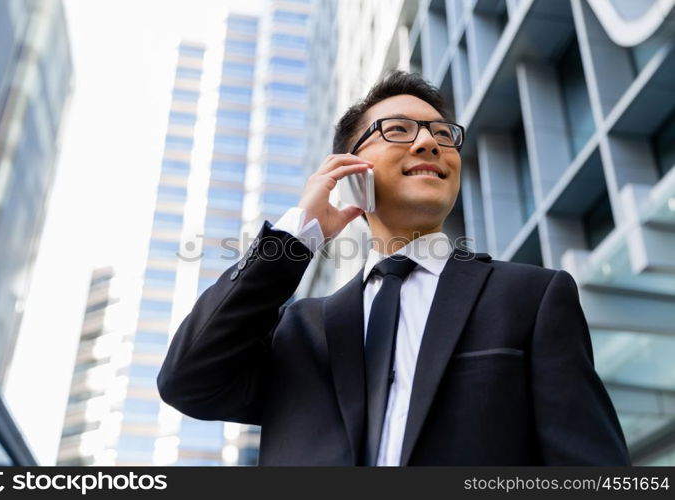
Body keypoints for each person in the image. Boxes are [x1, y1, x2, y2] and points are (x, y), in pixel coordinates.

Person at [157, 71, 630, 466]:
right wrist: (297, 235)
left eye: (442, 134)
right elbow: (188, 380)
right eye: (398, 130)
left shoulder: (531, 298)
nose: (429, 142)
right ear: (350, 169)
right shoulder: (299, 332)